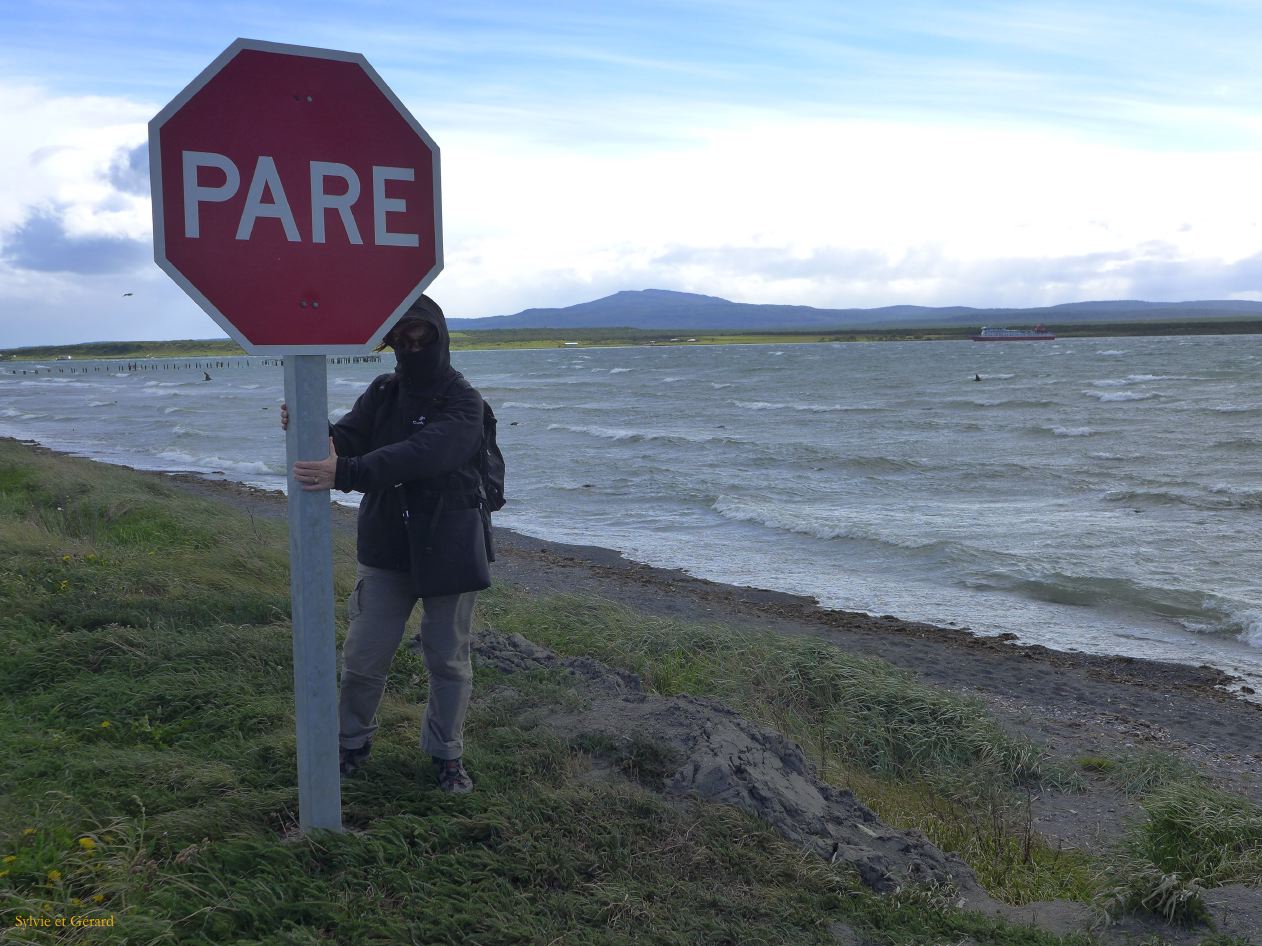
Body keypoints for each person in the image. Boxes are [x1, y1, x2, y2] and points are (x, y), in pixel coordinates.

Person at [283, 295, 490, 794]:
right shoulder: (383, 392)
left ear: (440, 338)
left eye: (423, 337)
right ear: (392, 341)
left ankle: (447, 756)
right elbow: (350, 437)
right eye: (403, 337)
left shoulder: (466, 404)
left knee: (448, 660)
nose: (413, 345)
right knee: (363, 657)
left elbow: (423, 454)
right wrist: (313, 427)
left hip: (453, 550)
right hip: (385, 549)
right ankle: (350, 744)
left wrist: (347, 473)